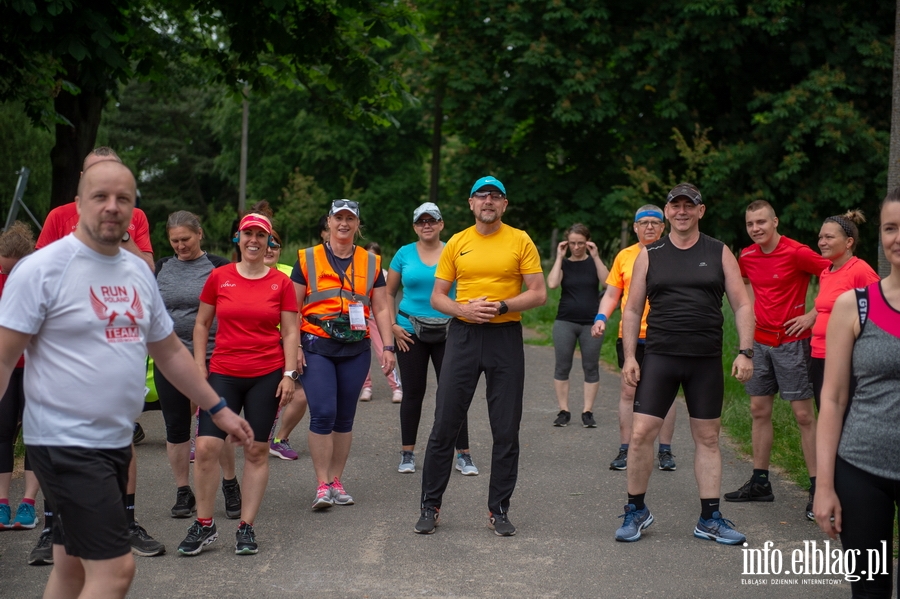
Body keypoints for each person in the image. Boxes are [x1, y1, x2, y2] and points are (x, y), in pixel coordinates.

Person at [0, 160, 252, 599]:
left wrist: (217, 408)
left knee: (70, 568)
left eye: (124, 199)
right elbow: (3, 360)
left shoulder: (137, 272)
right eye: (100, 196)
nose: (112, 207)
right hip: (65, 442)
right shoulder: (41, 270)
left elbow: (169, 351)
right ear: (78, 203)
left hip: (113, 441)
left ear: (135, 211)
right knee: (115, 572)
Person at [29, 147, 163, 564]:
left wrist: (119, 231)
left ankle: (127, 521)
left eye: (119, 192)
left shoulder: (133, 217)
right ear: (82, 183)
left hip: (116, 349)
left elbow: (148, 268)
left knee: (123, 439)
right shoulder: (57, 217)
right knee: (108, 570)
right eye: (96, 182)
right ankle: (53, 528)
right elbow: (40, 272)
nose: (111, 203)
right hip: (66, 362)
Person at [614, 182, 754, 545]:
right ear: (666, 212)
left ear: (700, 211)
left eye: (688, 206)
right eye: (674, 206)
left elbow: (742, 304)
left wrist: (745, 350)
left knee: (708, 438)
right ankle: (636, 510)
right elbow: (631, 309)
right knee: (642, 433)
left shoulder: (719, 251)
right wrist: (630, 356)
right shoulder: (650, 254)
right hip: (659, 355)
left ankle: (710, 518)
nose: (681, 212)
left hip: (705, 360)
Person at [415, 176, 546, 537]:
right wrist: (462, 309)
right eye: (481, 195)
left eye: (495, 196)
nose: (488, 201)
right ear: (471, 204)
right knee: (445, 423)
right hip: (463, 336)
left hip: (505, 337)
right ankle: (430, 505)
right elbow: (438, 297)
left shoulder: (520, 240)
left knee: (505, 428)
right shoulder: (457, 242)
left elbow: (538, 293)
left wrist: (503, 305)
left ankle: (499, 510)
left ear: (504, 205)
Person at [178, 207, 298, 556]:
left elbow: (290, 331)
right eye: (248, 234)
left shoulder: (281, 283)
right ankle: (204, 524)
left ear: (269, 242)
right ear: (238, 239)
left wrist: (290, 373)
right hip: (224, 373)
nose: (254, 240)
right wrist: (200, 365)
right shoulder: (220, 277)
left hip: (266, 374)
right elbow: (201, 324)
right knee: (205, 449)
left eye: (261, 235)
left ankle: (246, 527)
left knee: (258, 450)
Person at [814, 189, 900, 598]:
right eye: (890, 228)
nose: (898, 237)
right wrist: (824, 486)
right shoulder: (855, 306)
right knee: (869, 592)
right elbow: (832, 399)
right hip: (862, 471)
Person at [725, 200, 830, 520]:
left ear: (775, 222)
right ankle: (760, 482)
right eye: (750, 224)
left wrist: (812, 314)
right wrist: (751, 316)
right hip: (759, 343)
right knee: (759, 410)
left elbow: (832, 272)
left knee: (803, 416)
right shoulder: (747, 255)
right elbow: (742, 282)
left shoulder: (796, 252)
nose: (756, 228)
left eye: (761, 222)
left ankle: (818, 488)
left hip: (793, 343)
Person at [293, 199, 395, 510]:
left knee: (344, 417)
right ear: (328, 222)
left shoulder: (370, 261)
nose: (344, 224)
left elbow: (379, 306)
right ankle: (322, 484)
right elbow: (292, 307)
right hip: (317, 344)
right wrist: (294, 346)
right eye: (339, 218)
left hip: (355, 346)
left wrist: (388, 347)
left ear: (358, 225)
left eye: (350, 218)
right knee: (323, 412)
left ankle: (337, 480)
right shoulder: (307, 258)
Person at [154, 211, 240, 519]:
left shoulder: (218, 266)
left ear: (199, 234)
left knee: (217, 422)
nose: (180, 246)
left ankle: (230, 483)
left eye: (186, 240)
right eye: (174, 241)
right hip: (169, 357)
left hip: (213, 356)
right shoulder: (162, 267)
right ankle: (182, 490)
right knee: (176, 426)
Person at [387, 202, 478, 475]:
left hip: (449, 329)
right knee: (413, 393)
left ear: (441, 224)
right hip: (409, 331)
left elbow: (469, 287)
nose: (427, 225)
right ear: (415, 226)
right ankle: (407, 454)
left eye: (432, 220)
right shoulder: (403, 254)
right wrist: (392, 325)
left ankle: (463, 455)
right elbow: (387, 293)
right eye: (421, 221)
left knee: (452, 393)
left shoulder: (455, 250)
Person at [591, 205, 678, 471]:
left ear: (663, 227)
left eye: (655, 222)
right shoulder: (624, 256)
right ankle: (625, 448)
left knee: (668, 393)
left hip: (665, 334)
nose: (650, 227)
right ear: (635, 227)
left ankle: (665, 450)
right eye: (644, 223)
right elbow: (611, 294)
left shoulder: (674, 253)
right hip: (632, 335)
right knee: (628, 391)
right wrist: (600, 318)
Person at [809, 210, 879, 411]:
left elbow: (880, 309)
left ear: (849, 242)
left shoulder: (860, 270)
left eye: (829, 237)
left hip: (845, 358)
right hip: (819, 354)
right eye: (820, 237)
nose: (822, 242)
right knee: (826, 414)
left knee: (846, 418)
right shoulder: (825, 272)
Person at [547, 223, 608, 428]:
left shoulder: (594, 263)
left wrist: (596, 256)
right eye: (572, 243)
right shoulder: (564, 264)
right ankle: (564, 410)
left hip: (591, 322)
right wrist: (558, 257)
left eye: (580, 243)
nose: (576, 247)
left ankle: (587, 411)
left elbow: (608, 282)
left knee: (591, 367)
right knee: (562, 366)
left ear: (588, 242)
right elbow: (553, 283)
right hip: (565, 321)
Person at [0, 222, 39, 531]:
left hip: (37, 368)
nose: (9, 277)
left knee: (35, 435)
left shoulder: (40, 279)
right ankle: (1, 503)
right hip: (5, 367)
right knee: (2, 432)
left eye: (14, 271)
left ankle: (28, 504)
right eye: (4, 271)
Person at [267, 228, 309, 461]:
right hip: (254, 345)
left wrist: (299, 346)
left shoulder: (290, 273)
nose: (271, 249)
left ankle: (280, 439)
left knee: (301, 394)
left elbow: (300, 311)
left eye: (276, 246)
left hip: (287, 342)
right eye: (268, 244)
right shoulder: (239, 272)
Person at [359, 241, 403, 403]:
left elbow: (385, 300)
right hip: (359, 319)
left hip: (375, 318)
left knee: (383, 352)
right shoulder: (356, 272)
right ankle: (367, 386)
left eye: (375, 256)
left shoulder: (383, 274)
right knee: (361, 355)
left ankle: (396, 387)